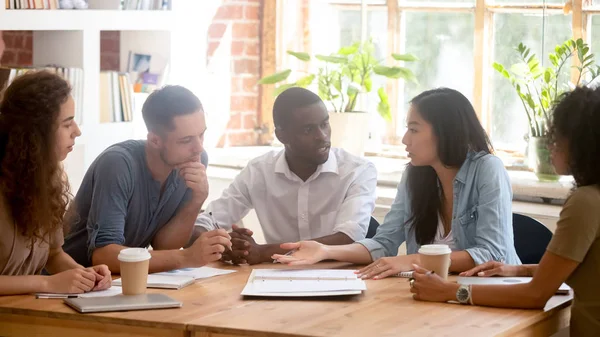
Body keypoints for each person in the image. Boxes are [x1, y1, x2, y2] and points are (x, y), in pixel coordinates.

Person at [410, 86, 600, 336]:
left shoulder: (585, 203)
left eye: (557, 134)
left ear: (582, 141)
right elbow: (585, 267)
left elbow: (535, 295)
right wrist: (518, 269)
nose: (549, 142)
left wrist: (448, 291)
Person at [272, 87, 520, 277]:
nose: (404, 139)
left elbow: (491, 254)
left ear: (445, 132)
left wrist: (413, 261)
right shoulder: (415, 175)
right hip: (435, 296)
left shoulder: (488, 169)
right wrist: (325, 251)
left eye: (414, 129)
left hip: (492, 297)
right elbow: (384, 242)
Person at [194, 87, 377, 265]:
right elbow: (209, 220)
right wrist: (226, 244)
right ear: (282, 135)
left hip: (340, 277)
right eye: (308, 130)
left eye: (324, 124)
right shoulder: (259, 171)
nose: (322, 136)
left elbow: (350, 238)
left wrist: (263, 252)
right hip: (277, 280)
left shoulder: (358, 171)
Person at [62, 85, 231, 273]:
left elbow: (164, 246)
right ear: (155, 141)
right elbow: (104, 256)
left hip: (117, 283)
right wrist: (187, 256)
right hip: (67, 279)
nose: (198, 148)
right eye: (186, 140)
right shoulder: (118, 164)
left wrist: (196, 200)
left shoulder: (193, 161)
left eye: (201, 135)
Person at [0, 71, 111, 295]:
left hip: (25, 314)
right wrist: (47, 284)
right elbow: (47, 278)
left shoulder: (45, 177)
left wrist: (84, 275)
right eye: (67, 124)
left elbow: (53, 254)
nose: (77, 131)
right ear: (36, 133)